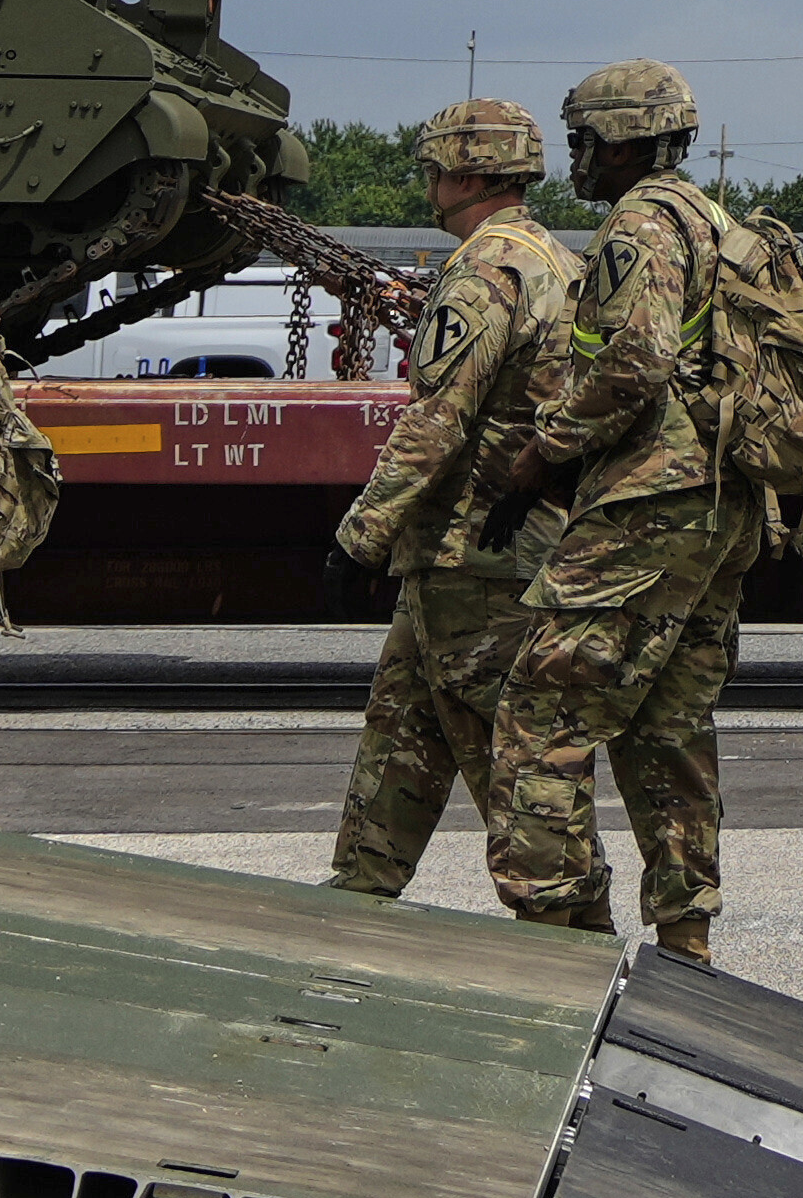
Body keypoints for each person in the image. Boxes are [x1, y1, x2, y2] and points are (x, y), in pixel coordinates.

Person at [481, 58, 759, 954]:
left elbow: (633, 364)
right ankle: (685, 942)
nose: (575, 161)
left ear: (622, 141)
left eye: (582, 142)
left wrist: (541, 455)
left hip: (651, 503)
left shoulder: (638, 224)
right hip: (721, 500)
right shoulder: (714, 220)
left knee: (540, 718)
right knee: (667, 724)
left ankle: (562, 937)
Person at [320, 95, 582, 906]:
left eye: (435, 166)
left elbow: (437, 420)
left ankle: (566, 923)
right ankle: (357, 898)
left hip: (474, 560)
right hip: (489, 552)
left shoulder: (482, 271)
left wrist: (361, 536)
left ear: (466, 171)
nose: (428, 181)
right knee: (402, 731)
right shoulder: (558, 261)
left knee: (511, 765)